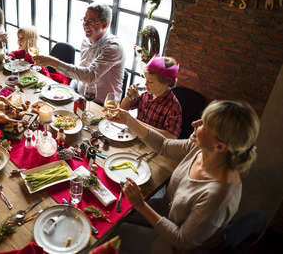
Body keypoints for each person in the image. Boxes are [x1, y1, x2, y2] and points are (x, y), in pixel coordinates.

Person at [106, 100, 260, 253]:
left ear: (220, 146)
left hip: (178, 247)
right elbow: (163, 146)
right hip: (166, 211)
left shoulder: (219, 195)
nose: (195, 123)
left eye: (204, 124)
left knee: (112, 234)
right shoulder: (200, 148)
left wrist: (141, 205)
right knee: (113, 216)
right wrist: (129, 121)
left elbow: (181, 240)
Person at [33, 2, 125, 103]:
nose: (85, 24)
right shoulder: (86, 41)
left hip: (103, 106)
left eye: (91, 21)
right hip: (81, 97)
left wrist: (52, 62)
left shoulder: (113, 47)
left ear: (104, 25)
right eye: (84, 20)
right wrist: (70, 90)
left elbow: (90, 75)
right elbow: (81, 72)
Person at [120, 54, 182, 139]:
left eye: (150, 81)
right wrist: (129, 96)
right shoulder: (145, 93)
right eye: (145, 79)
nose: (145, 84)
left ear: (165, 84)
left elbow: (172, 137)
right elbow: (123, 108)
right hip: (136, 138)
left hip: (154, 145)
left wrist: (141, 126)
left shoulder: (173, 106)